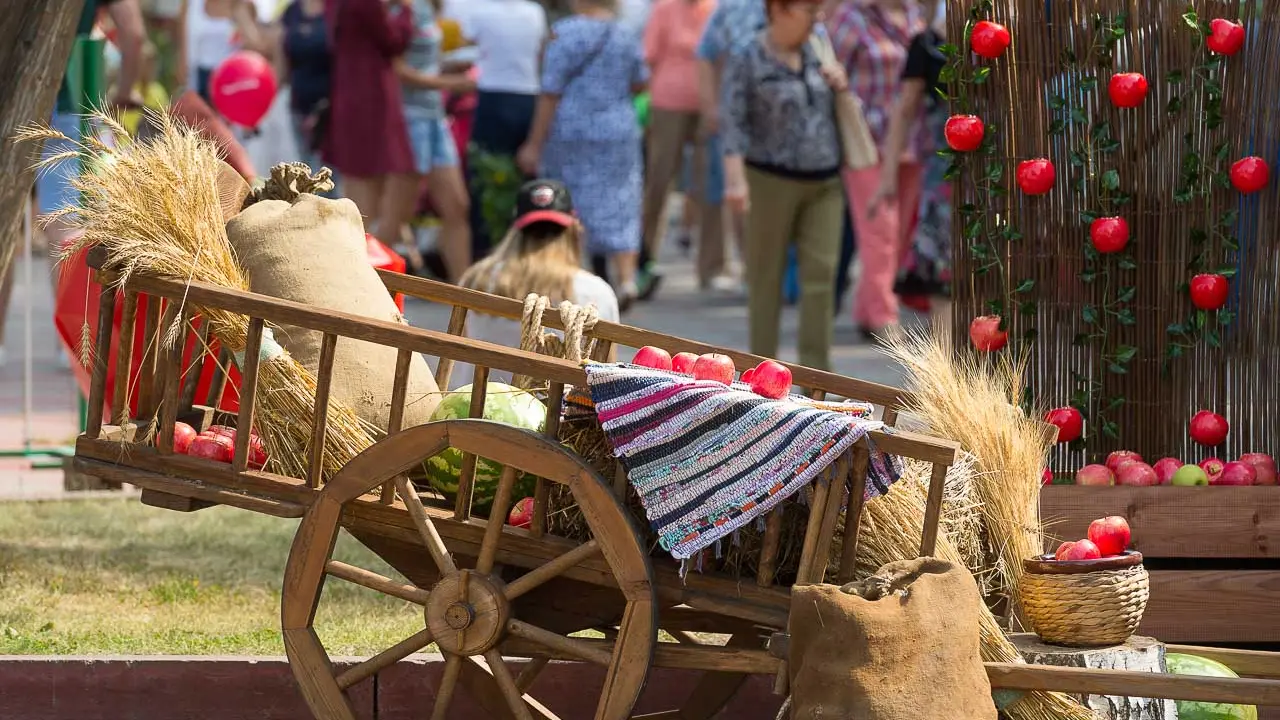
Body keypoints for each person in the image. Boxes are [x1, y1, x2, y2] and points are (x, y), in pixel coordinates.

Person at [721, 0, 847, 370]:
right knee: (765, 280)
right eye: (809, 10)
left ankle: (818, 380)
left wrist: (838, 81)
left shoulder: (818, 47)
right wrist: (734, 182)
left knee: (821, 279)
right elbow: (732, 123)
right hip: (768, 179)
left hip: (825, 180)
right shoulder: (748, 55)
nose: (816, 19)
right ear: (780, 9)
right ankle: (762, 374)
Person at [517, 0, 649, 310]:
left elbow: (550, 90)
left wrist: (533, 144)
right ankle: (627, 277)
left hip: (571, 130)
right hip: (618, 128)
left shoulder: (564, 33)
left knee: (572, 200)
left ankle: (582, 280)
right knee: (622, 200)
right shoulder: (625, 33)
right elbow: (641, 81)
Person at [458, 179, 619, 385]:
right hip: (561, 414)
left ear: (515, 229)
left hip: (473, 406)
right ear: (574, 231)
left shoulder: (477, 278)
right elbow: (608, 374)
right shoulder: (597, 292)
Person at [827, 0, 923, 339]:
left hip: (912, 137)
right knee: (879, 228)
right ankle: (883, 314)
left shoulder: (915, 14)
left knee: (899, 234)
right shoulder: (852, 16)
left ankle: (868, 310)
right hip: (865, 140)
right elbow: (829, 72)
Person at [641, 0, 732, 295]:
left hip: (709, 107)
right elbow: (650, 57)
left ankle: (713, 267)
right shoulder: (664, 9)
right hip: (668, 103)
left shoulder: (716, 9)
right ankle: (645, 259)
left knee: (712, 186)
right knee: (659, 180)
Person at [869, 0, 949, 319]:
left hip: (984, 177)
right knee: (947, 282)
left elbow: (904, 113)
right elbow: (903, 113)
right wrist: (887, 178)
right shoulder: (928, 44)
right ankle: (949, 368)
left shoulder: (1006, 43)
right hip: (946, 180)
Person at [384, 0, 475, 281]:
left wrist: (451, 70)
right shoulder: (400, 10)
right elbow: (394, 69)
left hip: (434, 116)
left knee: (456, 206)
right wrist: (452, 84)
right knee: (397, 213)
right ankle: (357, 290)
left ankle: (467, 306)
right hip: (409, 117)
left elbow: (423, 62)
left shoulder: (425, 8)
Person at [459, 0, 550, 261]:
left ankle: (487, 250)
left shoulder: (481, 12)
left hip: (493, 97)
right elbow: (540, 51)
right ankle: (526, 248)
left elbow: (465, 47)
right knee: (525, 178)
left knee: (485, 178)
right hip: (526, 96)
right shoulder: (535, 12)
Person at [322, 0, 415, 222]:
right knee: (367, 193)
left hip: (349, 98)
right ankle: (363, 253)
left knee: (359, 187)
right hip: (371, 102)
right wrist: (405, 10)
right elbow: (393, 41)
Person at [279, 0, 334, 180]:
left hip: (330, 110)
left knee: (328, 179)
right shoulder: (292, 12)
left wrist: (325, 107)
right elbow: (280, 62)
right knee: (306, 175)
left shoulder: (335, 9)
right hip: (298, 105)